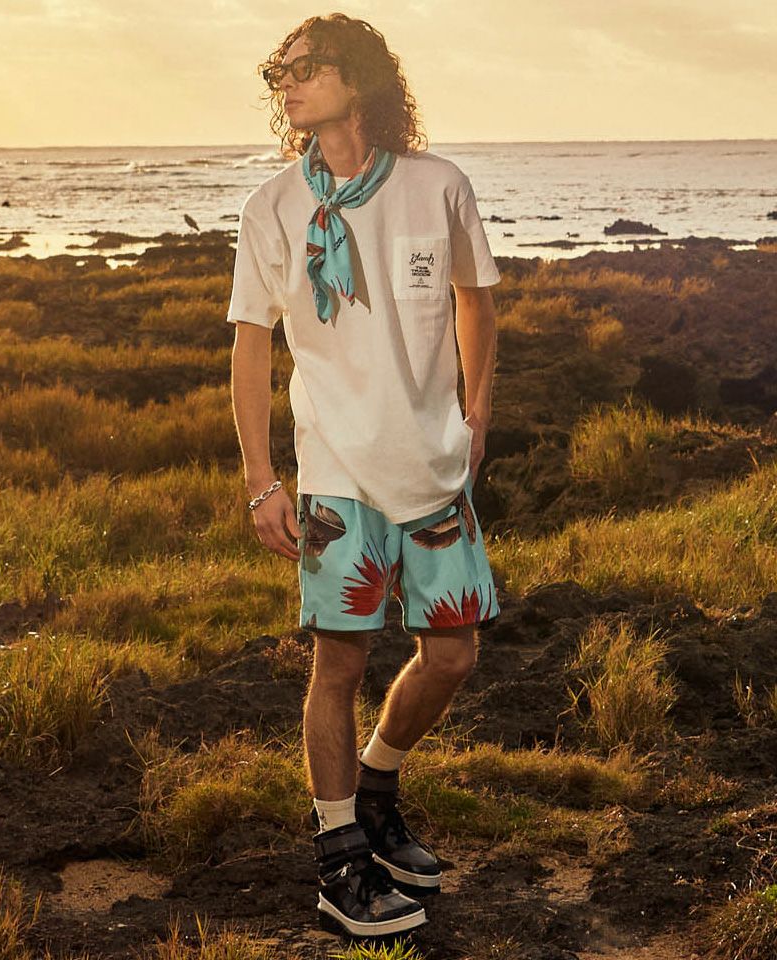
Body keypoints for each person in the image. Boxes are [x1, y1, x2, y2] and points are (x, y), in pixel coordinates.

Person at [226, 13, 501, 939]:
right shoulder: (271, 208)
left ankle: (378, 784)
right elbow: (251, 345)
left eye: (307, 67)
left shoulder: (438, 186)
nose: (288, 82)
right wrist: (262, 477)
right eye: (280, 70)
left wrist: (475, 413)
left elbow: (476, 300)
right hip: (336, 474)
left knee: (453, 654)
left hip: (432, 467)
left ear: (362, 78)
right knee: (338, 664)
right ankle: (339, 861)